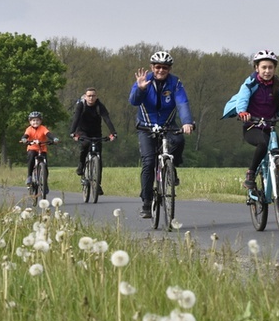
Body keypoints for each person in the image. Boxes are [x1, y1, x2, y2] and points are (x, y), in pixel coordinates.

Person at [129, 51, 194, 218]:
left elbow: (182, 102)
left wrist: (187, 122)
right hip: (146, 127)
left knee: (179, 140)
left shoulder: (175, 83)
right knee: (149, 162)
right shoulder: (144, 80)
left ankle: (172, 167)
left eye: (165, 67)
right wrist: (141, 89)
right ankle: (146, 202)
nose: (161, 70)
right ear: (152, 67)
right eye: (158, 67)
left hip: (167, 124)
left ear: (169, 69)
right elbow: (133, 101)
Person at [229, 50, 279, 190]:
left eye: (270, 67)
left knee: (277, 153)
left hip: (270, 127)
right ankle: (250, 174)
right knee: (263, 143)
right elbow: (243, 98)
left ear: (274, 69)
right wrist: (242, 112)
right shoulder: (250, 83)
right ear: (256, 68)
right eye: (264, 67)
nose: (267, 71)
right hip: (252, 126)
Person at [69, 88, 117, 195]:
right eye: (89, 96)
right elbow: (76, 119)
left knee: (98, 158)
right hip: (82, 131)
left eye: (93, 96)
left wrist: (113, 132)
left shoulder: (99, 106)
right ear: (85, 96)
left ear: (96, 97)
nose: (91, 98)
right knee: (85, 144)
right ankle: (81, 164)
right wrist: (73, 133)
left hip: (96, 132)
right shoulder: (81, 105)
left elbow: (107, 119)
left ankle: (98, 184)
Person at [20, 111, 59, 193]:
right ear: (30, 122)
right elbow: (26, 135)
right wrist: (24, 139)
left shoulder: (43, 128)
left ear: (40, 121)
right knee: (31, 158)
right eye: (33, 120)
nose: (35, 122)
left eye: (37, 120)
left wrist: (54, 139)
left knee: (45, 166)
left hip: (42, 149)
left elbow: (48, 134)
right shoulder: (29, 129)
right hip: (32, 148)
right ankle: (29, 176)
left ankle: (45, 183)